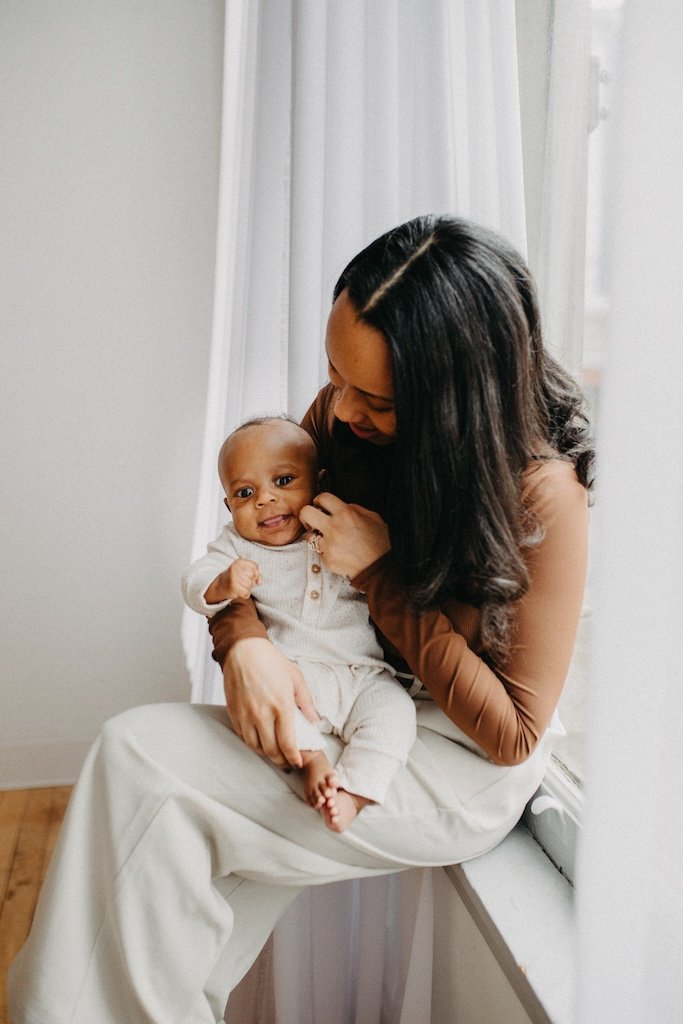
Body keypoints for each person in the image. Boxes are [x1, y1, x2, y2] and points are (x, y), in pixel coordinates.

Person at [9, 215, 593, 1024]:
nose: (339, 407)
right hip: (351, 693)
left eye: (378, 400)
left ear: (452, 400)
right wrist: (242, 643)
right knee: (172, 879)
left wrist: (382, 574)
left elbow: (512, 735)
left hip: (453, 760)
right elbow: (258, 538)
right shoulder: (345, 422)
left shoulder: (542, 494)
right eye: (334, 373)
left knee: (141, 763)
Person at [181, 415, 417, 831]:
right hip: (295, 676)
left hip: (364, 675)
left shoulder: (337, 528)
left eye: (284, 481)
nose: (265, 500)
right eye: (245, 492)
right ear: (229, 505)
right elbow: (194, 579)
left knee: (396, 715)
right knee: (276, 714)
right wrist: (222, 581)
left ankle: (356, 791)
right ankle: (314, 762)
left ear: (318, 482)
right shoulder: (236, 545)